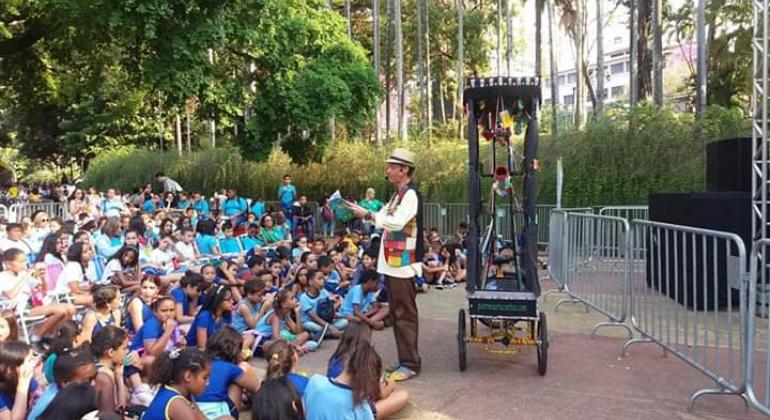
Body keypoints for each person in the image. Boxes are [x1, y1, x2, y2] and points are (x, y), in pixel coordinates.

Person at [349, 147, 423, 381]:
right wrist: (362, 212)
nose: (388, 170)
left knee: (405, 314)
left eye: (392, 166)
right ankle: (405, 361)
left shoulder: (410, 195)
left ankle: (410, 363)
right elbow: (382, 217)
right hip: (392, 264)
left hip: (403, 265)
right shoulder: (396, 196)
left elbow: (396, 223)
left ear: (404, 169)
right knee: (398, 313)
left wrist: (369, 216)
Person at [0, 249, 77, 346]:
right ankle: (36, 338)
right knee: (60, 311)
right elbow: (11, 295)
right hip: (16, 309)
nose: (25, 264)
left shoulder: (22, 274)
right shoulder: (3, 277)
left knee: (71, 309)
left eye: (25, 261)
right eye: (21, 262)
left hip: (30, 307)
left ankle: (51, 334)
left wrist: (42, 277)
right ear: (8, 264)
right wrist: (26, 276)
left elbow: (43, 291)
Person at [197, 327, 260, 418]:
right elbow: (255, 387)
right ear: (236, 351)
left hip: (196, 410)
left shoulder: (201, 362)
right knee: (239, 378)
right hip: (219, 414)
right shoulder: (231, 368)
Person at [144, 348, 211, 420]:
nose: (207, 383)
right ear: (188, 376)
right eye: (205, 378)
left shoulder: (181, 392)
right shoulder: (177, 403)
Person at [91, 326, 129, 413]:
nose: (127, 352)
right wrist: (119, 377)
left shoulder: (95, 366)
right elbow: (120, 408)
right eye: (124, 348)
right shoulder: (107, 374)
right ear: (111, 352)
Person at [300, 270, 347, 338]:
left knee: (344, 322)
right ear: (310, 282)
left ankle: (321, 334)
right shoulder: (304, 297)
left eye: (323, 279)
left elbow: (329, 310)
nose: (323, 281)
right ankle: (331, 333)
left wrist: (336, 304)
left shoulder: (324, 292)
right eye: (319, 279)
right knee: (314, 327)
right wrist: (330, 327)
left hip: (324, 320)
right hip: (311, 321)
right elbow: (314, 317)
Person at [186, 285, 234, 350]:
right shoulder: (204, 317)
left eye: (232, 298)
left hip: (214, 350)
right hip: (195, 351)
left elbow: (228, 339)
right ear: (218, 301)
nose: (232, 301)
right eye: (228, 299)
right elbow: (202, 347)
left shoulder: (226, 315)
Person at [0, 341, 37, 420]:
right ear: (9, 369)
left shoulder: (29, 380)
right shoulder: (24, 380)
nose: (34, 364)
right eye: (29, 361)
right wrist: (23, 383)